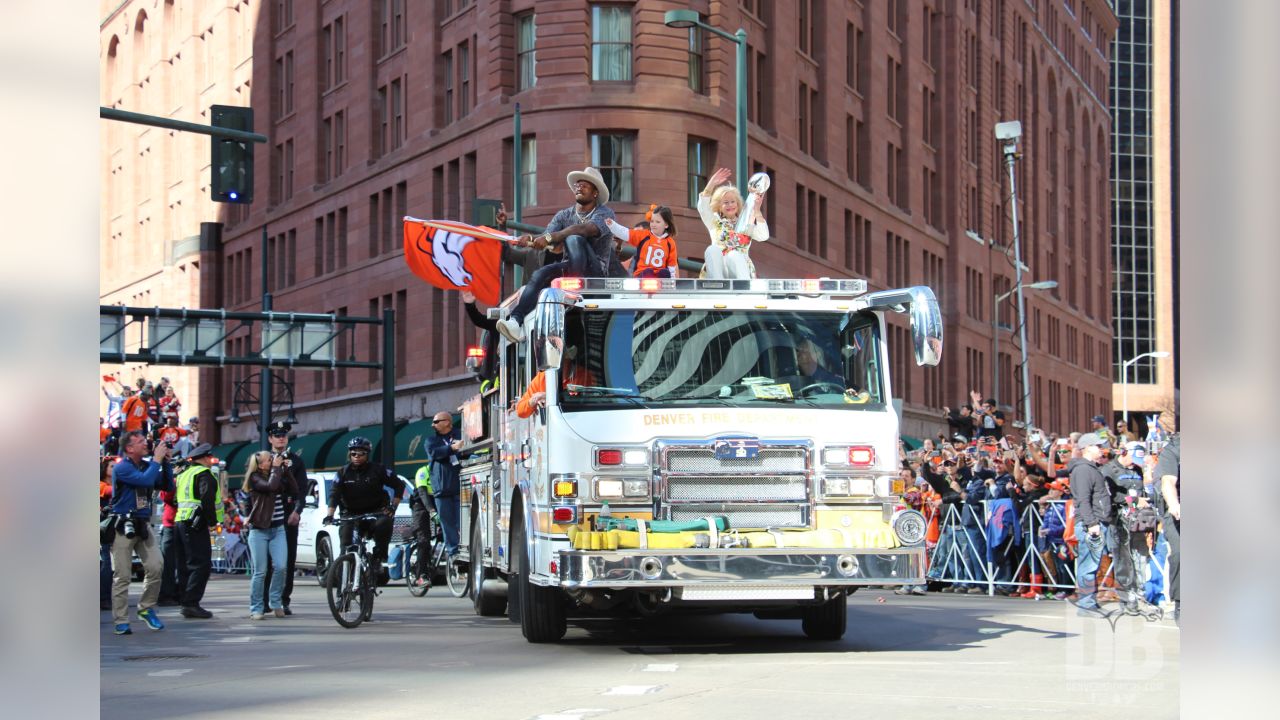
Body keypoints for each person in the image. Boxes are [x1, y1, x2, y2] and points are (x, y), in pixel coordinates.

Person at [495, 167, 621, 344]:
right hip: (571, 268)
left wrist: (549, 237)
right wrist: (533, 240)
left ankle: (573, 294)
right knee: (540, 273)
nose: (579, 187)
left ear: (595, 193)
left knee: (575, 238)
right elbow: (548, 239)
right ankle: (516, 321)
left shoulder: (605, 213)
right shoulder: (564, 215)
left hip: (594, 275)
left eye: (585, 185)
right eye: (577, 185)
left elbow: (584, 229)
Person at [107, 430, 175, 635]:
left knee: (156, 566)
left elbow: (167, 485)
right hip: (123, 525)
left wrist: (166, 463)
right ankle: (121, 619)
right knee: (123, 575)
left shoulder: (147, 466)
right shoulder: (122, 468)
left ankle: (146, 608)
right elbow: (144, 481)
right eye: (140, 441)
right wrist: (156, 460)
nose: (146, 443)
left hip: (143, 524)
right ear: (129, 448)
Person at [323, 437, 405, 578]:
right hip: (350, 514)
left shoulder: (378, 469)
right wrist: (330, 515)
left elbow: (399, 485)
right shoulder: (342, 472)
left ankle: (378, 558)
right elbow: (334, 494)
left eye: (361, 454)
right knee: (346, 541)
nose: (357, 457)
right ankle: (343, 583)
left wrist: (393, 507)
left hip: (375, 512)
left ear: (367, 454)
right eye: (353, 454)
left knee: (385, 523)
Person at [243, 449, 298, 620]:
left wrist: (286, 470)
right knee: (260, 571)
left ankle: (276, 602)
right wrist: (277, 469)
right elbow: (270, 487)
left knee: (281, 566)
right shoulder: (255, 479)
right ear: (259, 465)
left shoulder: (276, 473)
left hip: (278, 529)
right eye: (269, 459)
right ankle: (256, 607)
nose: (272, 460)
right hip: (259, 530)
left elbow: (294, 489)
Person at [264, 420, 307, 616]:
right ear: (270, 438)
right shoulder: (262, 459)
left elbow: (301, 490)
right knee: (265, 561)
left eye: (284, 435)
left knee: (287, 559)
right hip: (267, 514)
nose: (281, 438)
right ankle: (264, 600)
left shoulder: (296, 461)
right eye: (277, 435)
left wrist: (297, 511)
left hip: (288, 513)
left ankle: (283, 599)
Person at [1067, 432, 1112, 615]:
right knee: (1088, 565)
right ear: (1086, 448)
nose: (1101, 449)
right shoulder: (1084, 470)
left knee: (1092, 564)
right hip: (1090, 524)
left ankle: (1089, 601)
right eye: (1098, 446)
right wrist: (1091, 523)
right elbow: (1082, 500)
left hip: (1094, 521)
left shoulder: (1091, 468)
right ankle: (1086, 604)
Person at [173, 443, 220, 619]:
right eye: (209, 457)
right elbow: (207, 499)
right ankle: (191, 603)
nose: (211, 460)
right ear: (203, 458)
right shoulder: (204, 474)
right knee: (201, 564)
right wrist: (212, 522)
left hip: (180, 521)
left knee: (185, 564)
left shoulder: (184, 474)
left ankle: (185, 601)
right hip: (195, 523)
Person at [696, 167, 769, 280]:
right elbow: (703, 208)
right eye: (726, 202)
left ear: (738, 203)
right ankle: (717, 285)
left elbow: (763, 236)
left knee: (734, 255)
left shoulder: (745, 223)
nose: (730, 205)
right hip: (719, 270)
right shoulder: (714, 221)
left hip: (739, 270)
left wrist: (757, 212)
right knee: (712, 250)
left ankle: (743, 290)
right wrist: (711, 184)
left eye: (732, 202)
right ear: (719, 206)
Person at [426, 413, 471, 557]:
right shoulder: (431, 440)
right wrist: (452, 448)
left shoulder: (461, 434)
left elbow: (469, 449)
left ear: (447, 422)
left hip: (460, 487)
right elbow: (435, 453)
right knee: (447, 524)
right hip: (441, 490)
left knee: (463, 522)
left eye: (436, 421)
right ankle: (453, 553)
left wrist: (460, 447)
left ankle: (467, 549)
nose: (433, 424)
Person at [604, 205, 681, 279]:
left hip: (660, 279)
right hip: (642, 276)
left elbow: (672, 265)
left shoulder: (670, 243)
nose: (653, 224)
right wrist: (613, 225)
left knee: (665, 273)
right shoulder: (644, 235)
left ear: (666, 225)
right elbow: (626, 233)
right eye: (652, 221)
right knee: (648, 271)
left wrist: (673, 282)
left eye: (657, 222)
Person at [1154, 415, 1180, 624]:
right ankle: (1182, 602)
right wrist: (1174, 504)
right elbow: (1167, 482)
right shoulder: (1173, 451)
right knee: (1181, 552)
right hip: (1179, 511)